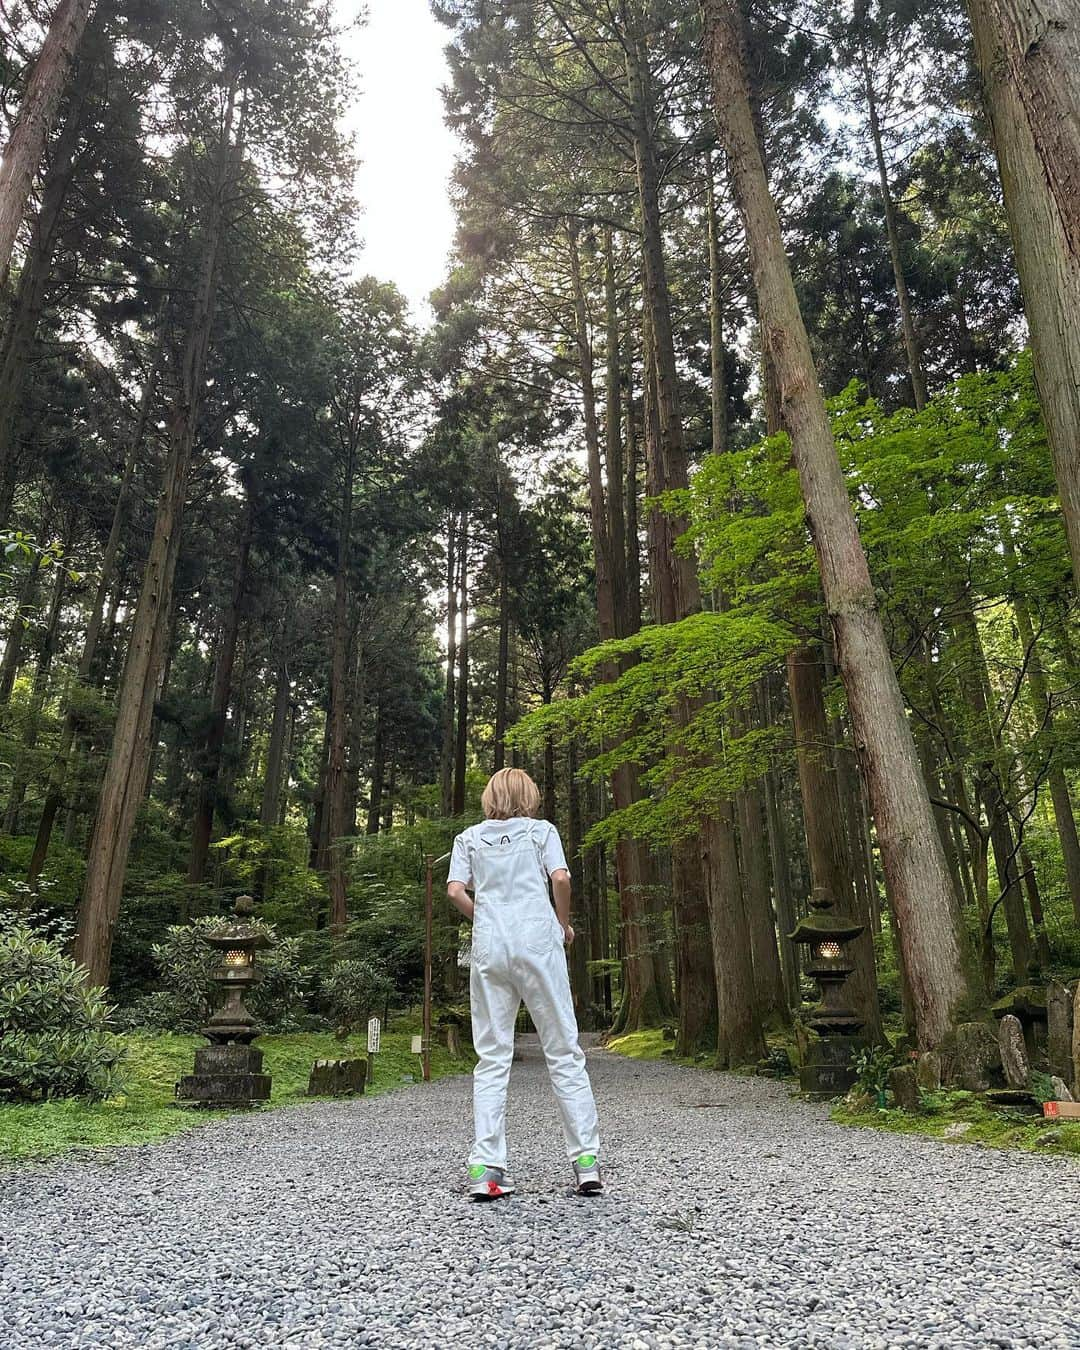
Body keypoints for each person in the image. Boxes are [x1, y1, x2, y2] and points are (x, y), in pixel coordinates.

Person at [447, 767, 601, 1201]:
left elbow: (455, 890)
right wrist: (562, 925)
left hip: (490, 947)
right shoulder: (541, 831)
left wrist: (487, 920)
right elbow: (562, 879)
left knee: (492, 1056)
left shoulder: (469, 838)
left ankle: (486, 1167)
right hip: (538, 942)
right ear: (528, 796)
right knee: (564, 1051)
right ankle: (586, 1162)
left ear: (490, 796)